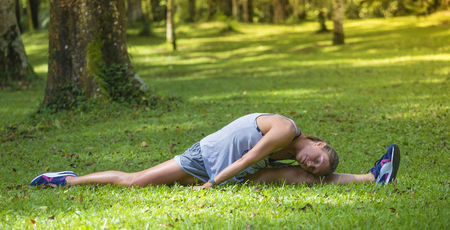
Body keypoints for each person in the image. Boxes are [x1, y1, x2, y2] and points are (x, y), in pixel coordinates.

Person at [30, 113, 400, 188]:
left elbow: (248, 166)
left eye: (314, 166)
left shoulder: (291, 154)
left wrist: (311, 172)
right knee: (133, 183)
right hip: (205, 159)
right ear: (318, 143)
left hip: (230, 171)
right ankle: (68, 179)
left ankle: (373, 175)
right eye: (316, 159)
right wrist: (210, 186)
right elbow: (246, 158)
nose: (310, 162)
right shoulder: (285, 130)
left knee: (303, 181)